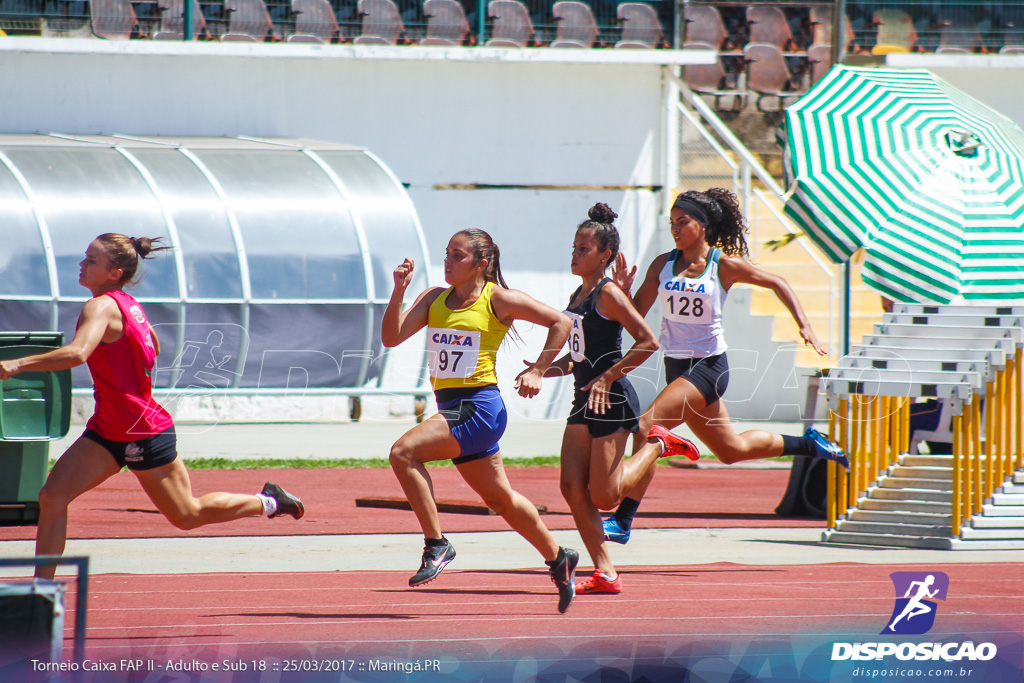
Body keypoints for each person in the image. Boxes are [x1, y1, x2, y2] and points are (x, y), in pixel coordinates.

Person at [0, 234, 304, 580]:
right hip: (107, 429)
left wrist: (18, 364)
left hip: (143, 431)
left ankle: (270, 502)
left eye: (92, 261)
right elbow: (153, 346)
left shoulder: (100, 306)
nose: (82, 265)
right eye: (85, 258)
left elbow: (78, 353)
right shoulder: (126, 303)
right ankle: (41, 589)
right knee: (52, 497)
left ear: (114, 272)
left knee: (187, 515)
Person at [602, 189, 848, 544]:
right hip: (676, 368)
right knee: (731, 450)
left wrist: (804, 324)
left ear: (702, 225)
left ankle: (623, 520)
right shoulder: (662, 264)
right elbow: (634, 315)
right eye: (672, 222)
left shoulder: (723, 266)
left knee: (646, 427)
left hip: (708, 368)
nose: (675, 229)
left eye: (682, 222)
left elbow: (777, 282)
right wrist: (621, 294)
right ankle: (810, 444)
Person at [382, 228, 581, 614]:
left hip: (479, 406)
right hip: (453, 406)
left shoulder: (498, 300)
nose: (448, 262)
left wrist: (539, 370)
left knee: (403, 453)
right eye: (446, 254)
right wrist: (399, 290)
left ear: (481, 264)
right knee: (499, 498)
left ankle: (436, 543)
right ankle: (559, 556)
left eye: (457, 256)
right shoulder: (433, 299)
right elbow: (391, 338)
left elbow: (562, 323)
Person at [541, 203, 698, 596]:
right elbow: (579, 354)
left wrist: (608, 377)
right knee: (570, 487)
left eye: (583, 249)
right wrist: (542, 370)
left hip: (611, 399)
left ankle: (659, 443)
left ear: (605, 255)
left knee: (605, 495)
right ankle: (606, 572)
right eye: (574, 247)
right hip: (583, 399)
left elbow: (648, 342)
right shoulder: (578, 294)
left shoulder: (609, 294)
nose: (575, 254)